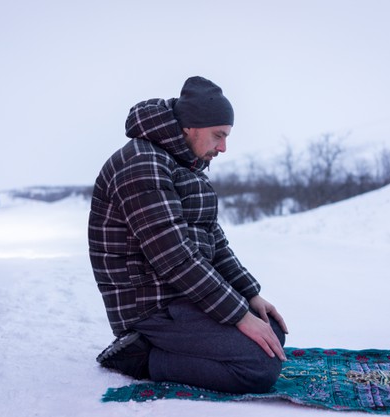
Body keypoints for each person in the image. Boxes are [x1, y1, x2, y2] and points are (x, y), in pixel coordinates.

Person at [88, 76, 288, 394]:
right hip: (150, 304)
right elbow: (175, 259)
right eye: (218, 136)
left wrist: (249, 295)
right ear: (191, 127)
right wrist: (237, 316)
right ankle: (141, 356)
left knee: (271, 328)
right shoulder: (143, 164)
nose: (223, 147)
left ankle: (178, 348)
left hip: (181, 294)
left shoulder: (184, 163)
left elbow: (213, 239)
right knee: (259, 366)